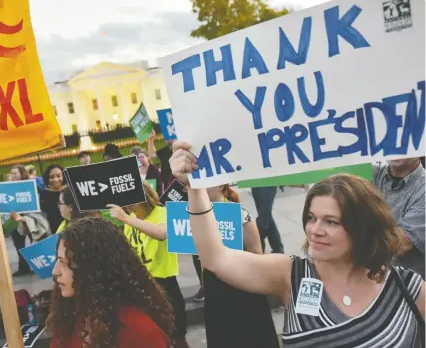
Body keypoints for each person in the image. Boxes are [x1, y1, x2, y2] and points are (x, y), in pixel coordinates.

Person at [170, 141, 425, 348]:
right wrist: (195, 187)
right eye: (311, 218)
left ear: (363, 227)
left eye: (332, 222)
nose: (315, 230)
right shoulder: (290, 274)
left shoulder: (410, 289)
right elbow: (217, 259)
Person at [48, 218, 174, 348]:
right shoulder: (68, 318)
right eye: (58, 260)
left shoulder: (141, 332)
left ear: (92, 270)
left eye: (64, 263)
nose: (55, 271)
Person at [107, 183, 190, 348]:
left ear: (145, 197)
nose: (129, 207)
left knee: (178, 335)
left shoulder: (162, 212)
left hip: (165, 283)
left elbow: (162, 234)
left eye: (133, 201)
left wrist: (126, 219)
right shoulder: (132, 220)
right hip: (143, 284)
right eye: (126, 203)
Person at [198, 185, 279, 347]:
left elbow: (256, 252)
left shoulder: (238, 213)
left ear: (220, 185)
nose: (201, 188)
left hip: (243, 288)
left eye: (206, 184)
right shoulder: (196, 216)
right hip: (216, 290)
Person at [373, 157, 425, 279]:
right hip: (362, 279)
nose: (396, 149)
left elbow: (400, 244)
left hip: (403, 287)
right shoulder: (371, 171)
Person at [9, 165, 33, 276]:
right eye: (12, 173)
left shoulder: (28, 185)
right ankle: (23, 268)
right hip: (16, 220)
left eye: (15, 173)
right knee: (19, 245)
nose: (13, 176)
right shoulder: (8, 187)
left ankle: (38, 265)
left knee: (35, 242)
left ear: (21, 174)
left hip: (29, 218)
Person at [251, 186, 285, 253]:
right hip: (255, 183)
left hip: (268, 183)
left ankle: (258, 247)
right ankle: (278, 248)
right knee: (267, 218)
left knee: (263, 221)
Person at [40, 165, 67, 234]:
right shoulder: (43, 195)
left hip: (70, 231)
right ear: (47, 178)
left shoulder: (69, 192)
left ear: (63, 176)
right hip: (52, 234)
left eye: (58, 176)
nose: (55, 179)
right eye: (51, 177)